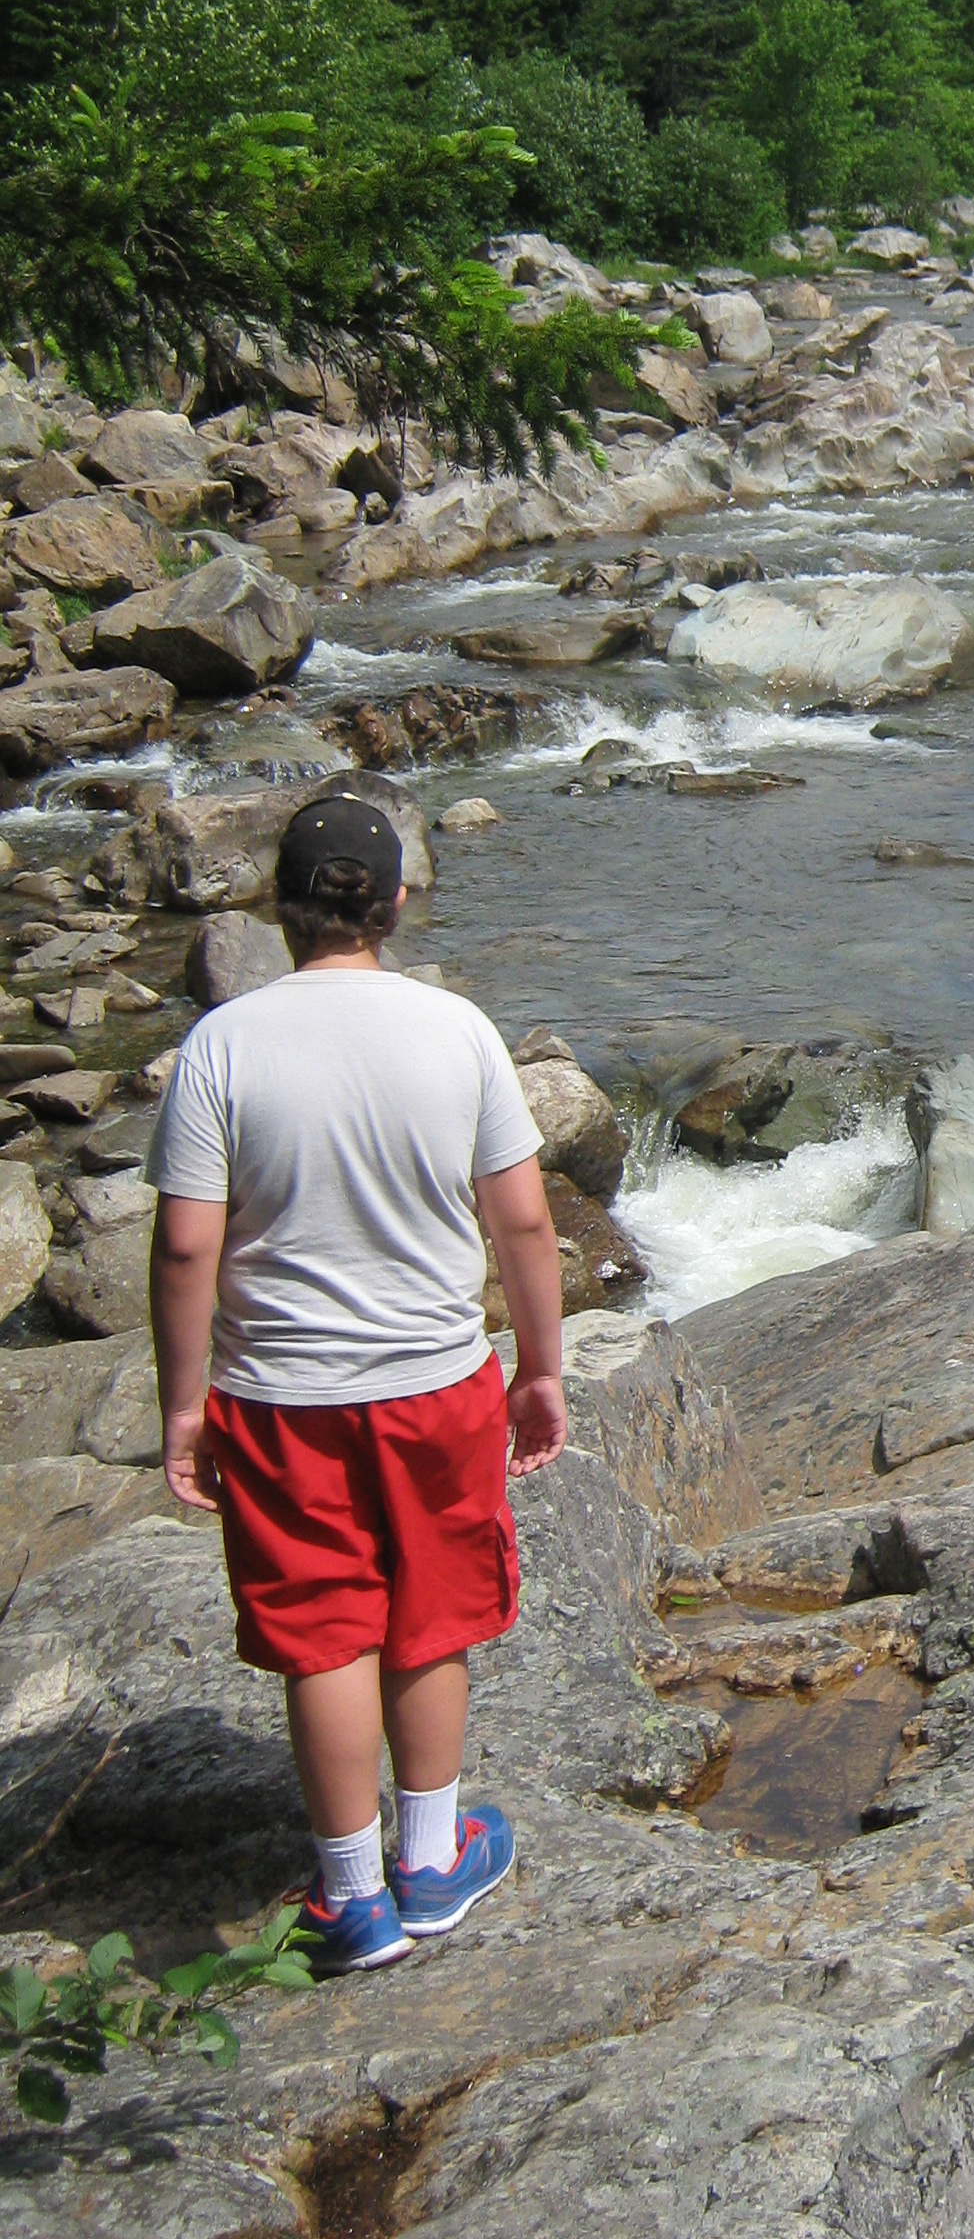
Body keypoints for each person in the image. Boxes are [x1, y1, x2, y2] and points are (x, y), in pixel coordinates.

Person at [148, 789, 569, 1976]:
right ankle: (432, 1862)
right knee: (431, 1610)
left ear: (277, 907)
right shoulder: (457, 1031)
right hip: (437, 1381)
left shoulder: (223, 1045)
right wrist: (539, 1369)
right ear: (393, 902)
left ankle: (351, 1897)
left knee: (325, 1629)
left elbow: (186, 1246)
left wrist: (185, 1406)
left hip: (281, 1393)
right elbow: (525, 1224)